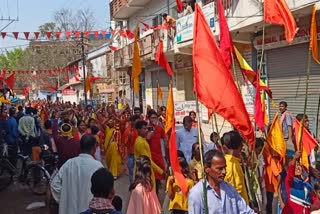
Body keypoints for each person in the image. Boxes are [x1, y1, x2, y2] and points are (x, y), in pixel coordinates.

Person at [188, 150, 254, 213]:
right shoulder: (197, 193)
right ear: (207, 169)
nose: (224, 172)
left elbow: (245, 211)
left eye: (225, 168)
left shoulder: (229, 189)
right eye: (219, 169)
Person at [51, 134, 104, 214]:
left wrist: (64, 201)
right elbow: (104, 192)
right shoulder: (98, 166)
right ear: (94, 147)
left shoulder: (69, 164)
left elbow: (55, 185)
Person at [134, 120, 164, 190]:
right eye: (144, 129)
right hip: (144, 172)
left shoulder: (143, 140)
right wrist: (161, 171)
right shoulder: (140, 142)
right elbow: (147, 160)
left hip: (146, 170)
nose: (146, 130)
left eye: (147, 128)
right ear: (138, 130)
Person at [223, 131, 249, 204]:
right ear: (239, 147)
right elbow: (237, 191)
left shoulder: (226, 160)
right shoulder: (233, 165)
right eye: (241, 145)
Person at [146, 109, 167, 193]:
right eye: (152, 118)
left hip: (159, 155)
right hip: (150, 155)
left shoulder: (159, 127)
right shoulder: (147, 127)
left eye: (155, 118)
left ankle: (156, 192)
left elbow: (164, 137)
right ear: (149, 118)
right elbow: (147, 138)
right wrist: (152, 129)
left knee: (159, 175)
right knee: (152, 176)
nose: (154, 119)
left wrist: (166, 144)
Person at [123, 115, 140, 184]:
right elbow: (125, 143)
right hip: (131, 154)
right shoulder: (128, 131)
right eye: (136, 121)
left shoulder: (139, 129)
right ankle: (132, 185)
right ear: (132, 122)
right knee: (131, 172)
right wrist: (129, 138)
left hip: (139, 154)